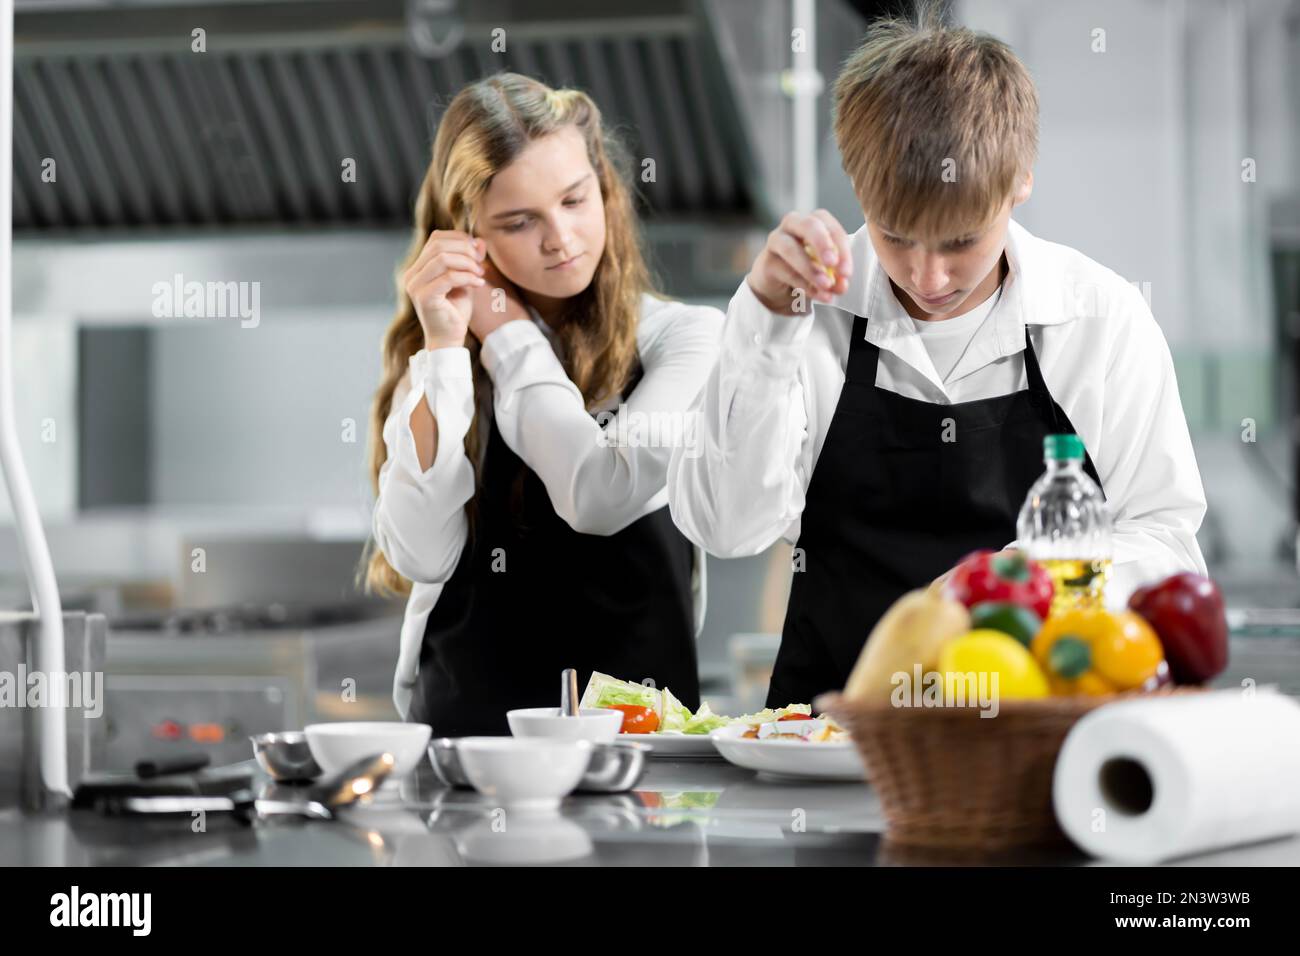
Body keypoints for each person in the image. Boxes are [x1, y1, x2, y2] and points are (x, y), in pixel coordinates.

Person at [667, 8, 1208, 708]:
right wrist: (767, 328)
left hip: (1032, 730)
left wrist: (1027, 577)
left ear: (1020, 184)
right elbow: (725, 529)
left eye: (959, 243)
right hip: (829, 739)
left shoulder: (1098, 319)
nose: (926, 278)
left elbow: (1165, 541)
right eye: (895, 237)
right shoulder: (802, 311)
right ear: (858, 186)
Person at [364, 73, 722, 733]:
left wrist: (505, 330)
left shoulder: (685, 339)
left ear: (605, 189)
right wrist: (444, 351)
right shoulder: (440, 366)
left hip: (647, 756)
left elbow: (599, 495)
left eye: (574, 200)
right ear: (470, 232)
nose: (560, 238)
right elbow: (421, 555)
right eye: (519, 221)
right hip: (471, 757)